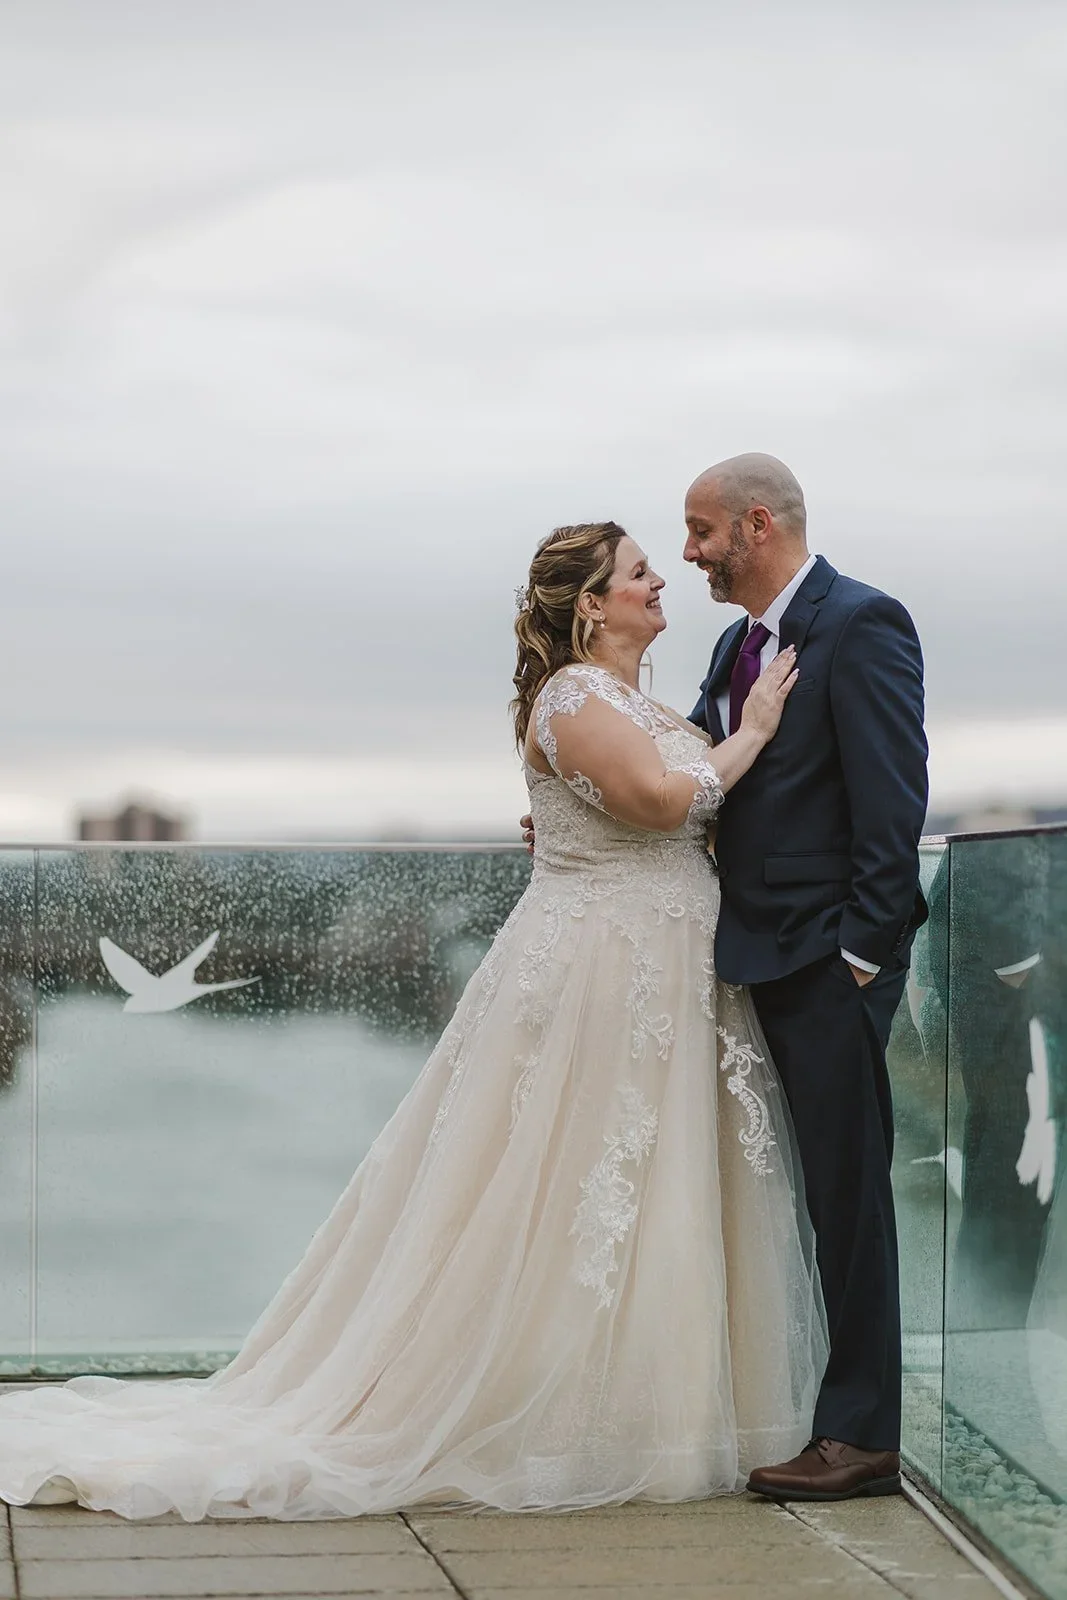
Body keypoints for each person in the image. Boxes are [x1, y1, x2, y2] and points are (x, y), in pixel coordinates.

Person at [0, 520, 826, 1521]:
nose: (660, 583)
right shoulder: (572, 694)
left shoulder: (634, 699)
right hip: (606, 970)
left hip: (662, 967)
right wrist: (753, 731)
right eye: (639, 572)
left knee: (653, 1182)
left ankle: (650, 1402)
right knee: (575, 1178)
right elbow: (658, 802)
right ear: (589, 605)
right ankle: (552, 1407)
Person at [684, 454, 928, 1500]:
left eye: (699, 531)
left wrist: (860, 958)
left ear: (753, 524)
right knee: (784, 1192)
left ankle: (861, 1435)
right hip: (749, 951)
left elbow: (891, 802)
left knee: (846, 1198)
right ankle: (802, 1402)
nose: (689, 551)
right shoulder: (734, 641)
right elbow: (701, 763)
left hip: (825, 962)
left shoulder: (861, 623)